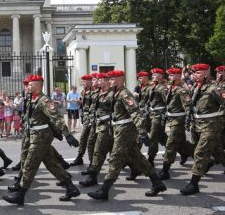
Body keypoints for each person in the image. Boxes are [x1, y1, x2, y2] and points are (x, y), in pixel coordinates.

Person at [88, 70, 166, 201]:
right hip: (119, 128)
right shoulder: (115, 93)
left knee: (115, 159)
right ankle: (157, 183)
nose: (110, 81)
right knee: (137, 157)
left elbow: (136, 112)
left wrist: (142, 131)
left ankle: (104, 190)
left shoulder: (124, 94)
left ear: (119, 80)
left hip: (126, 130)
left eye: (112, 79)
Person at [2, 75, 80, 205]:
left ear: (37, 85)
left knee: (29, 166)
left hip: (40, 139)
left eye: (31, 84)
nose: (28, 86)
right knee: (52, 164)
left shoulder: (44, 100)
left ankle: (20, 196)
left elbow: (56, 117)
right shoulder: (33, 99)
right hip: (35, 136)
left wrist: (68, 135)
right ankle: (71, 187)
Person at [180, 64, 225, 195]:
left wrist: (220, 120)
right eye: (194, 73)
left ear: (206, 74)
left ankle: (194, 184)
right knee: (218, 153)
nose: (194, 75)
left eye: (198, 73)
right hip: (199, 125)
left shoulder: (214, 89)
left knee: (200, 153)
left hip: (211, 126)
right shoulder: (196, 87)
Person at [157, 68, 195, 180]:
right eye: (169, 75)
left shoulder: (181, 91)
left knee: (171, 144)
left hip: (178, 121)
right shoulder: (171, 89)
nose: (169, 77)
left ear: (178, 76)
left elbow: (188, 106)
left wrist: (189, 120)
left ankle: (165, 171)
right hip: (171, 119)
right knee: (182, 144)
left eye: (171, 75)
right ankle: (206, 162)